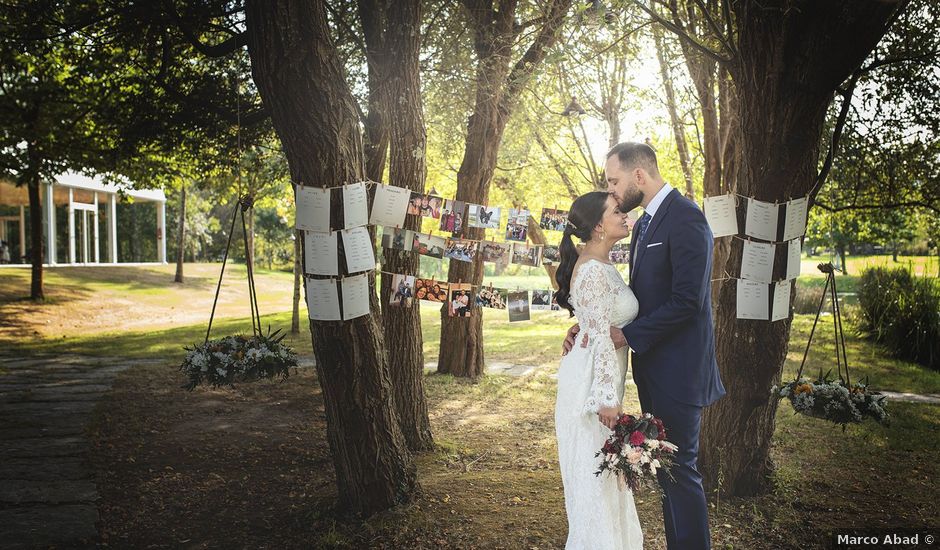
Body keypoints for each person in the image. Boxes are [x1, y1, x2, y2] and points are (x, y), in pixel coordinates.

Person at [562, 142, 725, 550]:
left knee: (681, 471)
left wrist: (626, 335)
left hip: (680, 370)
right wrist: (586, 324)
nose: (613, 192)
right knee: (668, 472)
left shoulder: (686, 218)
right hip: (652, 369)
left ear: (639, 176)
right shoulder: (646, 223)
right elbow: (637, 297)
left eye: (614, 182)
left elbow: (689, 299)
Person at [553, 190, 642, 549]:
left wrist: (580, 327)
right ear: (598, 225)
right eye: (617, 210)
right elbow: (603, 337)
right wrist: (606, 399)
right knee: (596, 485)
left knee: (607, 486)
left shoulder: (600, 264)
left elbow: (594, 325)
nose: (625, 215)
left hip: (599, 376)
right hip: (590, 390)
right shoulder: (591, 270)